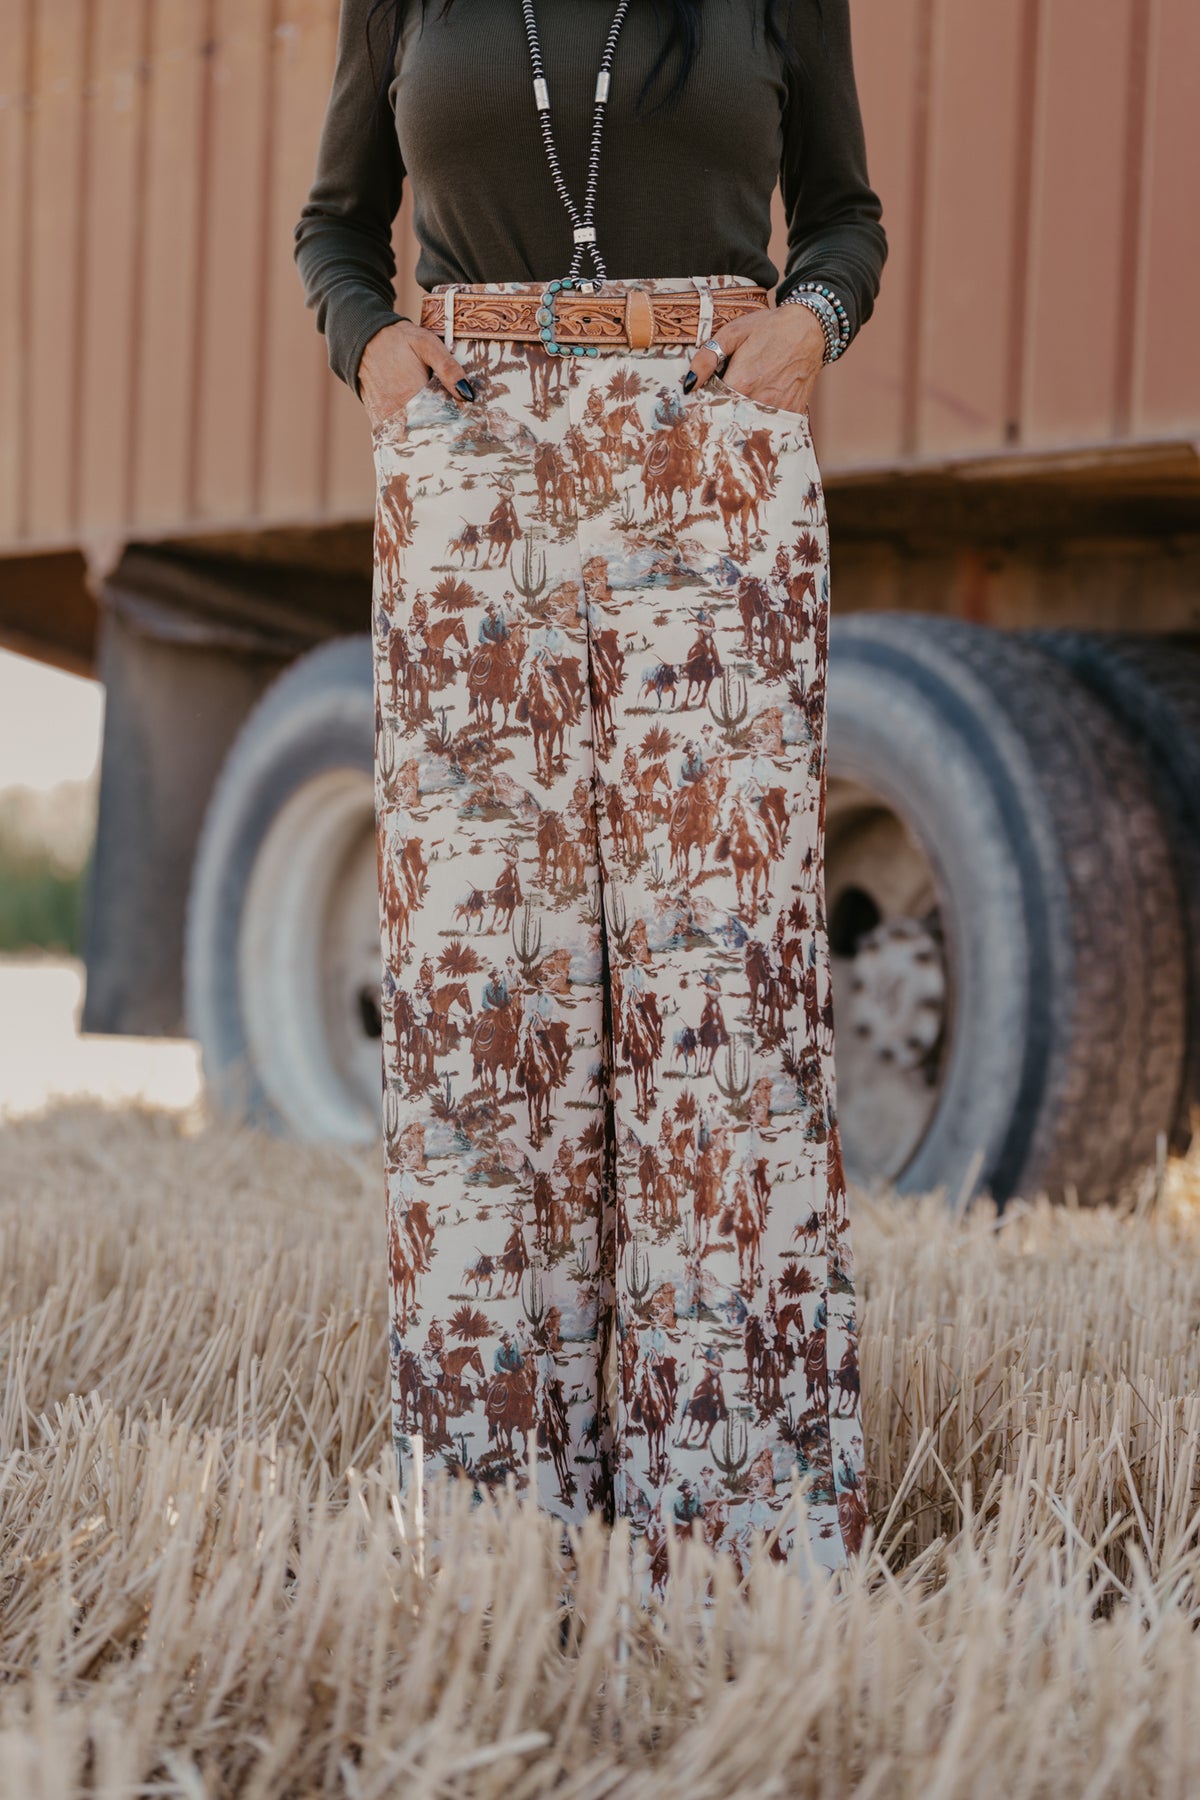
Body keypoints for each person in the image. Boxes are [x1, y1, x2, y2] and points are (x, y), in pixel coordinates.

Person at [296, 0, 885, 1584]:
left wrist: (811, 324)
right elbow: (335, 226)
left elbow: (846, 217)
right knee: (487, 1000)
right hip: (471, 461)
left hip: (709, 448)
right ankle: (490, 1545)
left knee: (720, 998)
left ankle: (737, 1550)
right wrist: (377, 355)